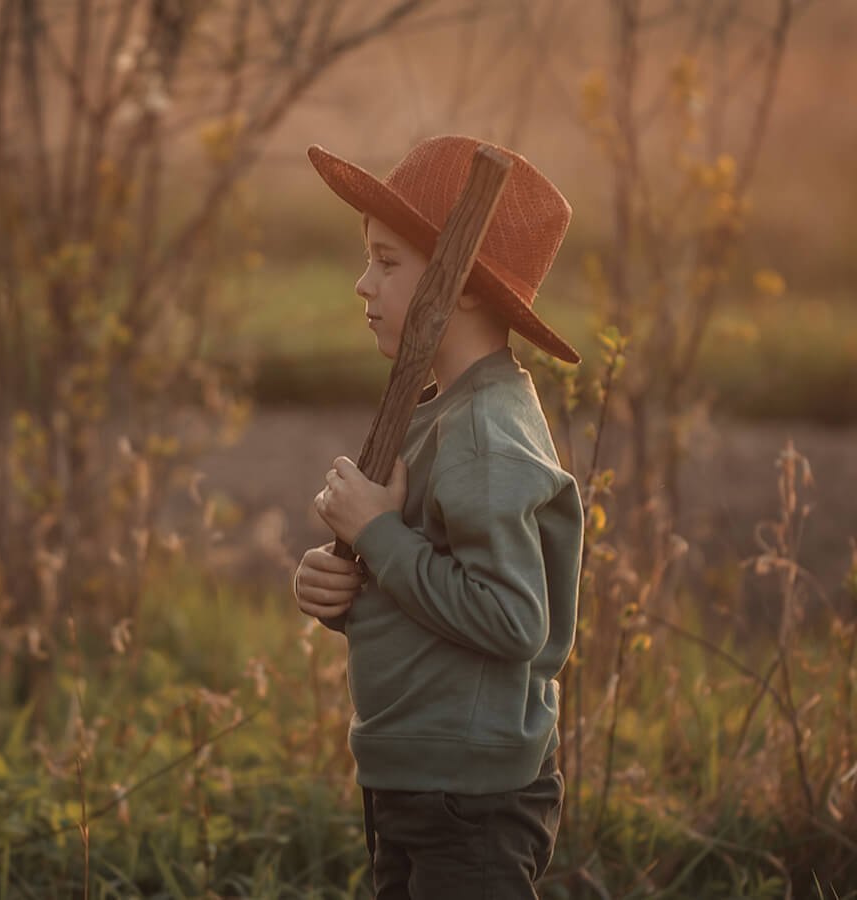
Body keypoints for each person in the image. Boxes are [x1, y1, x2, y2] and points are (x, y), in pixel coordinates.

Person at [292, 135, 584, 899]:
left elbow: (512, 620)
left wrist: (379, 536)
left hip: (471, 798)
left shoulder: (488, 433)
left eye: (388, 262)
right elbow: (430, 591)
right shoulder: (441, 413)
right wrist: (343, 589)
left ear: (462, 285)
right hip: (414, 773)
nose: (363, 284)